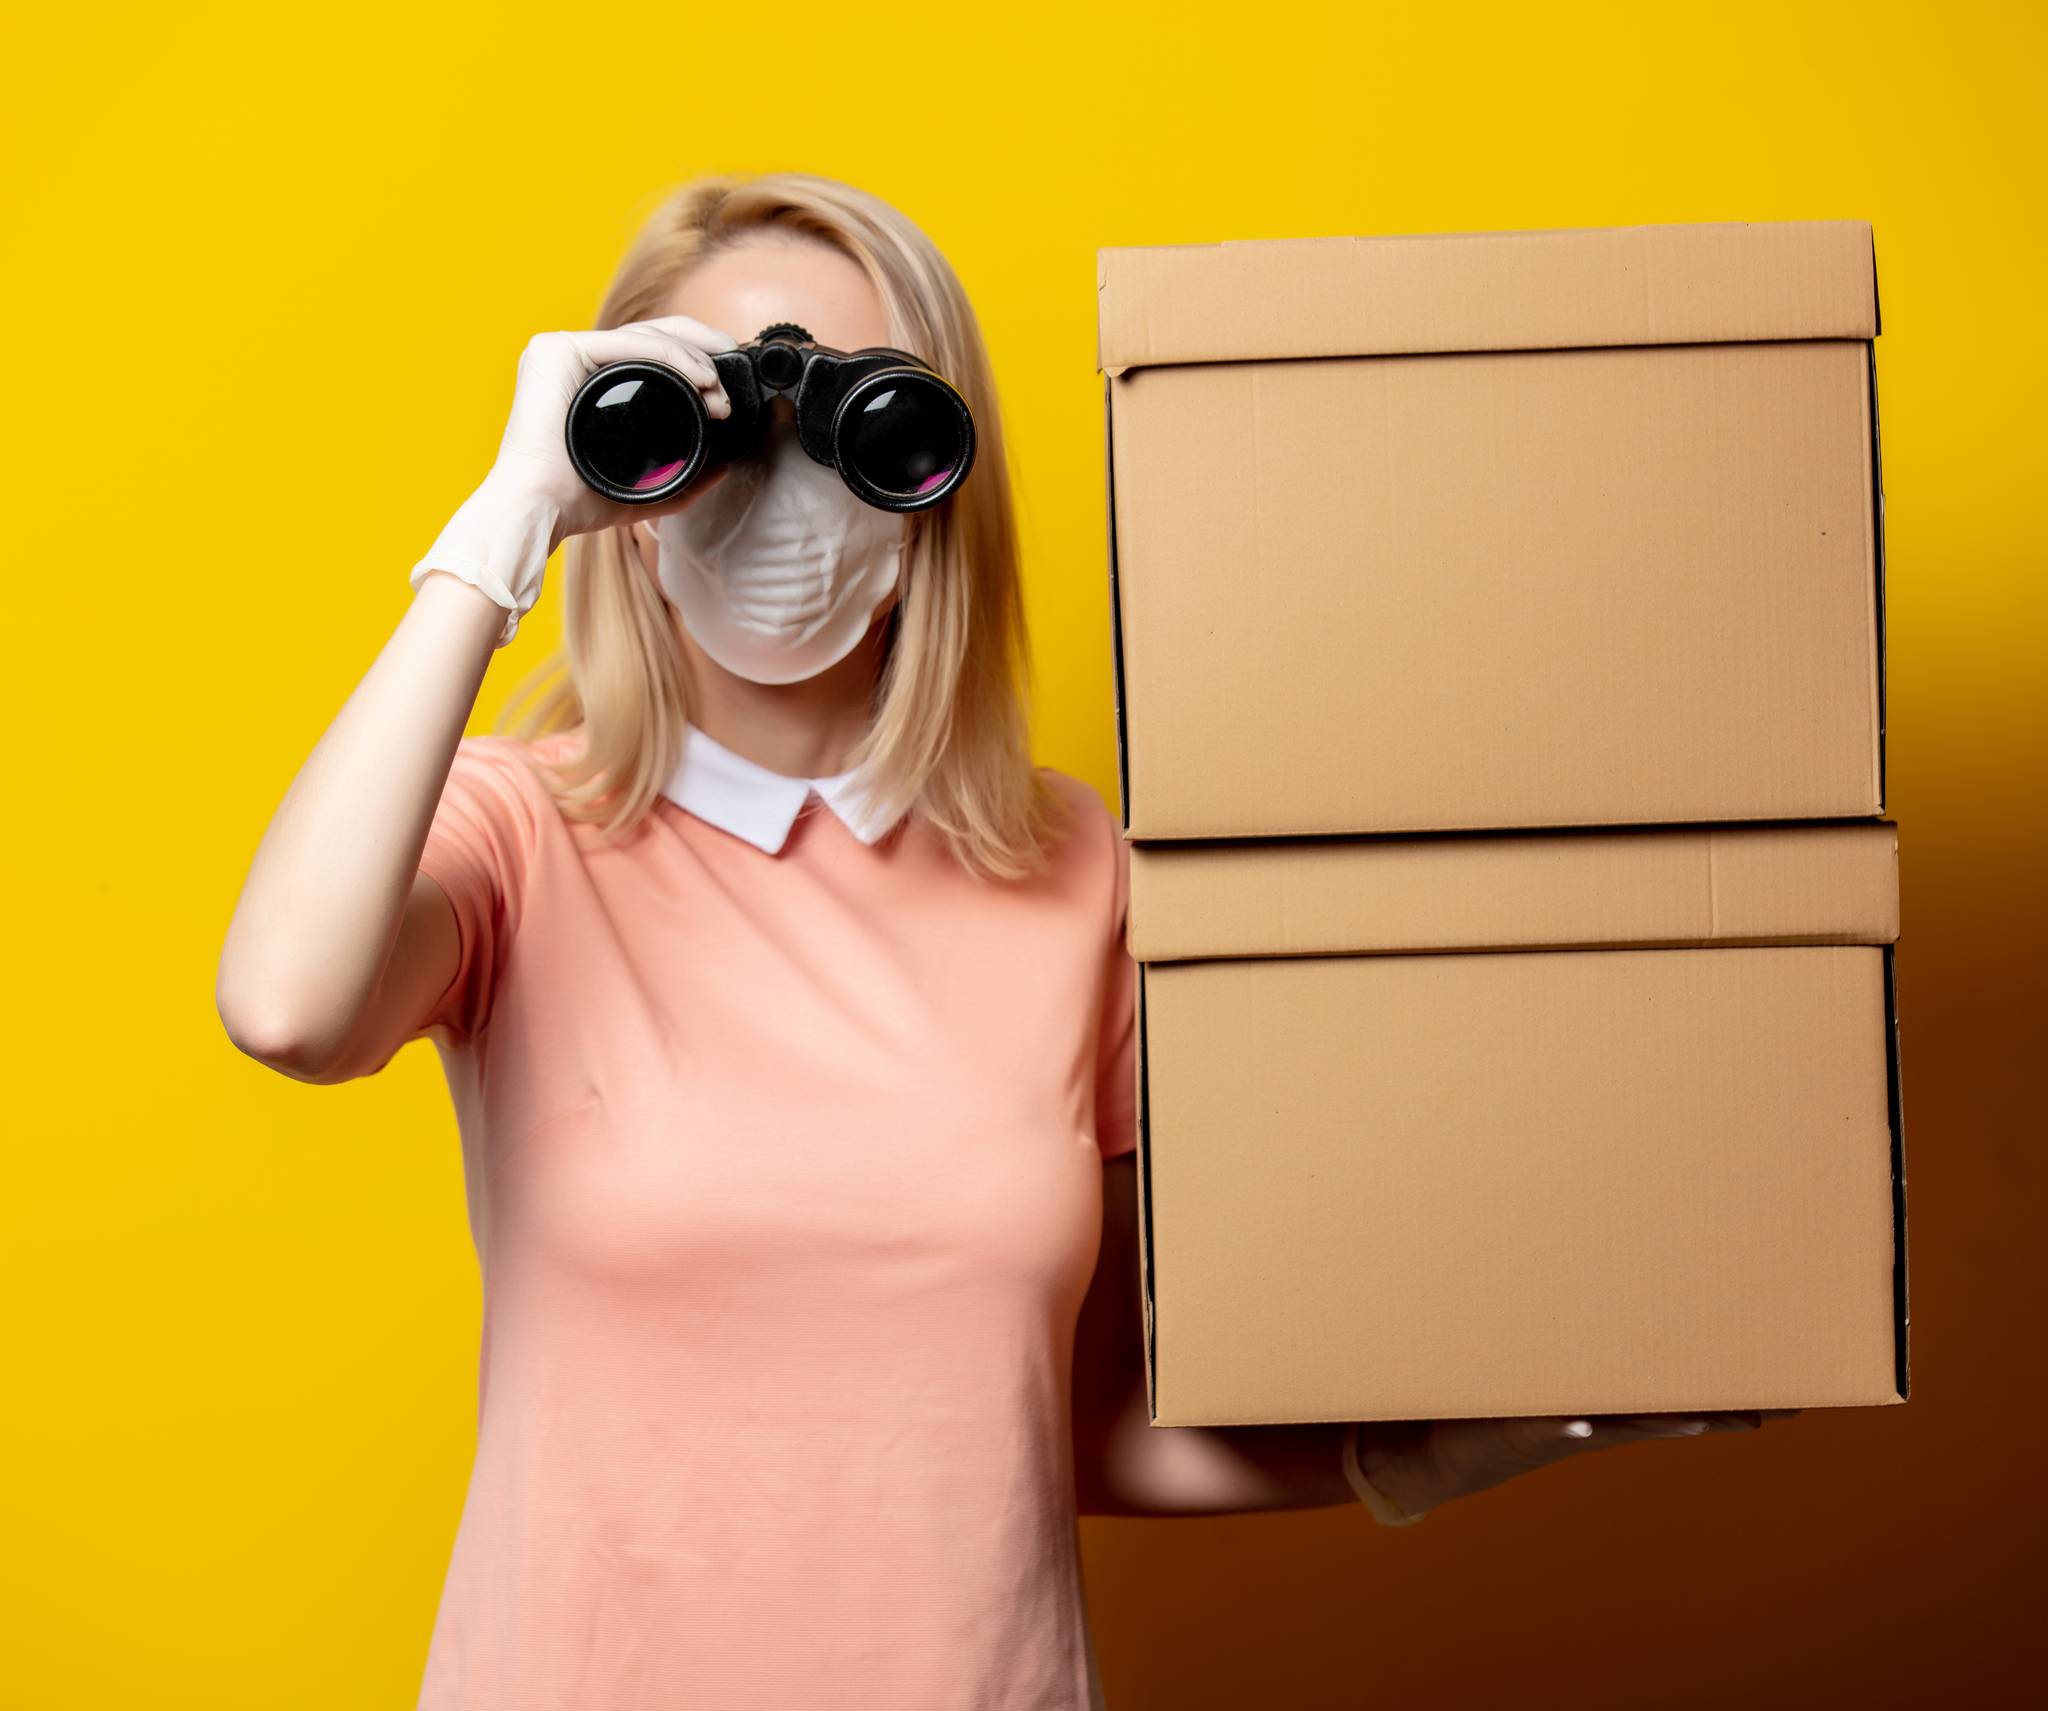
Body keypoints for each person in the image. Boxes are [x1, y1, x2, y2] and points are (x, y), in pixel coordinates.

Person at [215, 171, 1789, 1711]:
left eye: (857, 419)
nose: (786, 490)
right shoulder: (518, 836)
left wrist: (1452, 1449)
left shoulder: (1075, 873)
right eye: (722, 429)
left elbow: (1083, 1423)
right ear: (628, 482)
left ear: (932, 470)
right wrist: (511, 514)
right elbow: (289, 1006)